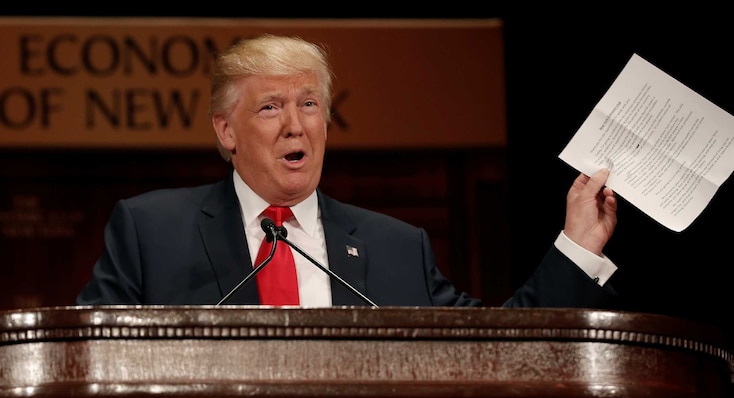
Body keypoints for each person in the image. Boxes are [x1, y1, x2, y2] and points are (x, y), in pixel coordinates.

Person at [76, 34, 619, 308]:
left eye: (309, 105)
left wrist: (577, 244)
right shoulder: (152, 232)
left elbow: (505, 353)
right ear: (226, 131)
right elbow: (89, 360)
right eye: (270, 107)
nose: (296, 126)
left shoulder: (396, 248)